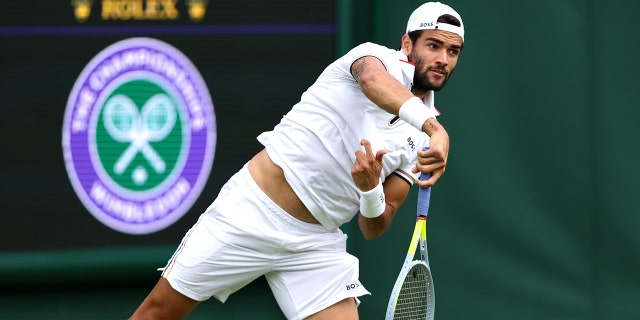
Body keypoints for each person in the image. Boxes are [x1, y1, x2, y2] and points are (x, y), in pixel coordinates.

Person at [130, 2, 465, 319]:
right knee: (157, 313)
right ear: (408, 43)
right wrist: (435, 128)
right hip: (251, 211)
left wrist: (369, 190)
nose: (443, 59)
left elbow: (375, 226)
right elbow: (371, 81)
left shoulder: (422, 141)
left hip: (316, 244)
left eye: (452, 52)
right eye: (433, 45)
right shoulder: (375, 58)